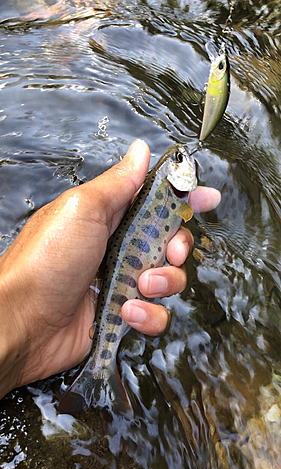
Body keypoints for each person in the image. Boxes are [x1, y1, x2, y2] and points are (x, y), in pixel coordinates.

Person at [0, 139, 220, 401]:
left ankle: (101, 364)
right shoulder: (175, 197)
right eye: (179, 159)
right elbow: (184, 213)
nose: (186, 159)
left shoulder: (177, 197)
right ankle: (101, 364)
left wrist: (19, 321)